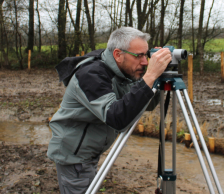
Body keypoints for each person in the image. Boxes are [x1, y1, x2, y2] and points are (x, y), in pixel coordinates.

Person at [47, 27, 172, 194]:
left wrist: (156, 78)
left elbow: (146, 104)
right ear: (118, 55)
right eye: (139, 55)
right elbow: (116, 118)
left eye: (146, 54)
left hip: (89, 152)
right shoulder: (91, 75)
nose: (145, 62)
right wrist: (149, 76)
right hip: (74, 157)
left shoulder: (123, 70)